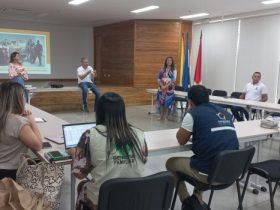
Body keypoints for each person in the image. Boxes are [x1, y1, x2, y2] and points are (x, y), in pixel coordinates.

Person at [166, 85, 239, 209]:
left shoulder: (193, 114)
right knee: (203, 157)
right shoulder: (225, 112)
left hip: (209, 174)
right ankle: (197, 198)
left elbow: (181, 140)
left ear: (190, 101)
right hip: (231, 172)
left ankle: (187, 201)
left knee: (170, 163)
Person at [72, 92, 148, 210]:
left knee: (82, 186)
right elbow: (144, 159)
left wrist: (74, 153)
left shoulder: (90, 135)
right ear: (122, 112)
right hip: (135, 198)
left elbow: (79, 174)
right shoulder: (139, 133)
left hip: (104, 201)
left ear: (99, 112)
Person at [0, 81, 43, 180]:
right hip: (9, 173)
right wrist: (31, 120)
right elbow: (38, 145)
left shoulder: (4, 116)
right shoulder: (18, 122)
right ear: (19, 98)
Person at [156, 56, 177, 121]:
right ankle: (161, 116)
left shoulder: (174, 70)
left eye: (170, 60)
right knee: (161, 102)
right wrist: (162, 86)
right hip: (161, 89)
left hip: (169, 89)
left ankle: (165, 117)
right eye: (168, 60)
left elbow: (173, 80)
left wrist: (165, 86)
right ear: (166, 61)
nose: (169, 61)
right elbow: (158, 79)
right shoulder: (162, 69)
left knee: (167, 103)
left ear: (172, 62)